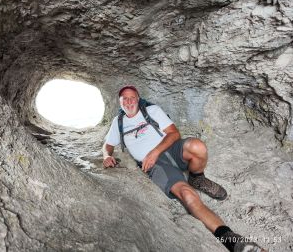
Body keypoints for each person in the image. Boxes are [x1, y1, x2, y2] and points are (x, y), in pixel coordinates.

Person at [102, 85, 266, 252]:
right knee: (187, 194)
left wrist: (154, 151)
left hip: (169, 149)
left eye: (132, 97)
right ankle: (234, 241)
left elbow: (174, 134)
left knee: (198, 146)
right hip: (156, 166)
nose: (129, 102)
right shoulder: (118, 122)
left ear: (138, 99)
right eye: (125, 99)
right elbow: (107, 146)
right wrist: (107, 156)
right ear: (120, 102)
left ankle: (197, 178)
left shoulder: (151, 110)